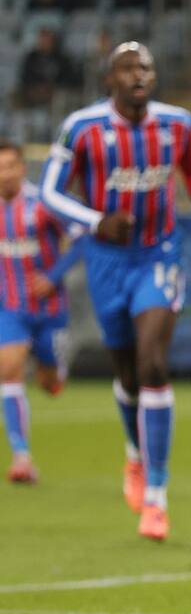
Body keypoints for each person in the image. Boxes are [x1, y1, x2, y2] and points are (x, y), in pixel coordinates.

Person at [40, 42, 191, 541]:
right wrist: (95, 221)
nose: (138, 75)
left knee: (153, 364)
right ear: (110, 80)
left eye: (145, 67)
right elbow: (50, 191)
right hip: (107, 261)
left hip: (159, 254)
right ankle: (134, 454)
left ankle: (156, 496)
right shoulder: (82, 127)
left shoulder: (177, 124)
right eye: (128, 68)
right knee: (126, 372)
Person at [0, 140, 83, 484]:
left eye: (9, 167)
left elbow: (82, 238)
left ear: (22, 168)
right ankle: (21, 457)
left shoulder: (44, 204)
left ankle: (51, 371)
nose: (3, 174)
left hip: (49, 309)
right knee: (8, 370)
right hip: (10, 308)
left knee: (50, 382)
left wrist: (52, 276)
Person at [18, 28, 79, 110]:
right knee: (17, 95)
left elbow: (68, 78)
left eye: (48, 39)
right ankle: (22, 120)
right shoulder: (31, 57)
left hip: (55, 91)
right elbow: (25, 76)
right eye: (43, 39)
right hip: (34, 90)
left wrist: (52, 87)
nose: (45, 42)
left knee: (62, 96)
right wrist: (37, 87)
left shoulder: (62, 58)